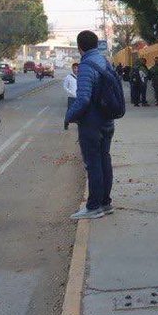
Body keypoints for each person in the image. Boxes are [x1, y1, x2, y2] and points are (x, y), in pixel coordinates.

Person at [66, 31, 117, 220]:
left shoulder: (86, 66)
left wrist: (69, 116)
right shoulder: (105, 62)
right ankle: (105, 203)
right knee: (105, 160)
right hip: (107, 120)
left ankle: (94, 206)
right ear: (96, 45)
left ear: (79, 47)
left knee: (93, 163)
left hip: (91, 123)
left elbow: (84, 99)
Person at [62, 62, 79, 130]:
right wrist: (70, 93)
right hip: (71, 97)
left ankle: (78, 122)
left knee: (79, 110)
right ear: (72, 68)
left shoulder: (82, 76)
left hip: (79, 97)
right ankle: (66, 122)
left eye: (77, 68)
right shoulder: (68, 77)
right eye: (74, 68)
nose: (75, 69)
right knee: (70, 111)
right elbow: (65, 86)